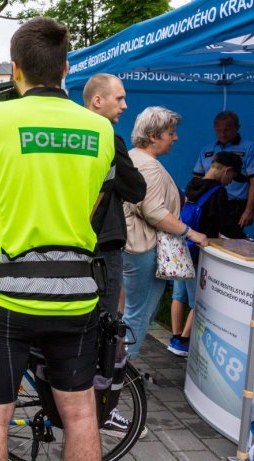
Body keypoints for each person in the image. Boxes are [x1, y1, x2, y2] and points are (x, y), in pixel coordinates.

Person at [0, 17, 114, 461]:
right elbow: (92, 205)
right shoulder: (101, 129)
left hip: (8, 294)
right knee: (82, 415)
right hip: (78, 295)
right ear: (66, 69)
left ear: (15, 70)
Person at [83, 74, 147, 439]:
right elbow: (135, 188)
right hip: (103, 245)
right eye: (119, 99)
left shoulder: (69, 132)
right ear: (98, 101)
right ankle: (100, 411)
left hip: (70, 243)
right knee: (106, 329)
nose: (124, 106)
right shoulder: (105, 135)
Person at [122, 107, 208, 359]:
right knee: (140, 313)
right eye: (171, 133)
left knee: (133, 310)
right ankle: (118, 373)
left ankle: (116, 369)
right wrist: (191, 232)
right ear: (153, 136)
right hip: (144, 248)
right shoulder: (148, 166)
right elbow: (154, 212)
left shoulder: (132, 158)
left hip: (133, 246)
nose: (176, 138)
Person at [168, 152, 248, 356]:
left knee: (179, 295)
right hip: (197, 252)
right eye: (232, 177)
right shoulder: (218, 191)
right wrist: (244, 239)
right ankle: (184, 341)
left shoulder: (193, 184)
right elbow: (225, 225)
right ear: (227, 170)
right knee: (198, 300)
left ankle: (175, 337)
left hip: (181, 248)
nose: (231, 183)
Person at [193, 111, 254, 229]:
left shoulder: (249, 148)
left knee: (232, 241)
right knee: (208, 240)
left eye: (227, 130)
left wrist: (249, 210)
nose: (222, 134)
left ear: (237, 128)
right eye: (218, 130)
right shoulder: (207, 149)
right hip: (209, 203)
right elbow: (198, 178)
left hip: (234, 205)